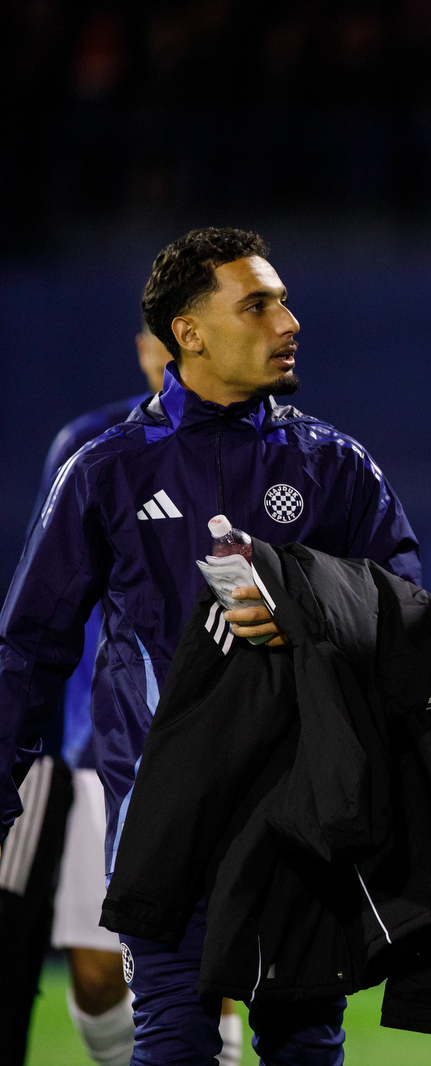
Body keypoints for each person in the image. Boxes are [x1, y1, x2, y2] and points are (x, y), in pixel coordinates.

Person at [0, 227, 421, 1066]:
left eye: (284, 300)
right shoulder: (105, 470)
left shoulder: (335, 466)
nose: (288, 321)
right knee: (175, 1045)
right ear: (186, 334)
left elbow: (411, 613)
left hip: (306, 823)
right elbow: (29, 645)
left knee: (304, 1049)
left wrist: (312, 603)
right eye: (258, 304)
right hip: (164, 819)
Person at [0, 325, 182, 1066]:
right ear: (146, 344)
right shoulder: (94, 445)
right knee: (100, 976)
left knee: (203, 962)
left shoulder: (272, 446)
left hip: (218, 741)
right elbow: (47, 603)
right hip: (99, 746)